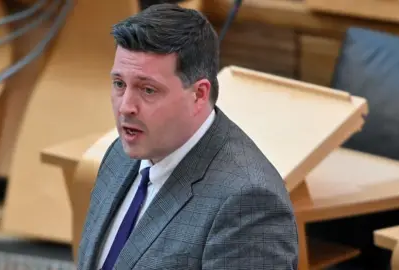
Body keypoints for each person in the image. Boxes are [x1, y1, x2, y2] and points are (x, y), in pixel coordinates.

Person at [78, 3, 299, 270]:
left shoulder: (248, 203)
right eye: (119, 84)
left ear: (198, 95)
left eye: (148, 90)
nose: (126, 106)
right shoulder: (119, 155)